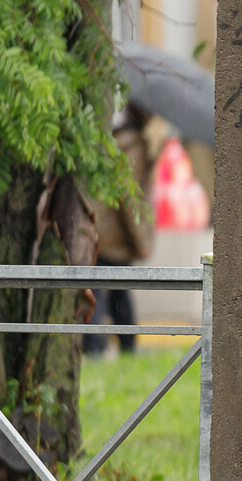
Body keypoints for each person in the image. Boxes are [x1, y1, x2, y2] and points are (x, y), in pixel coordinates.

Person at [84, 106, 156, 355]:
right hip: (115, 235)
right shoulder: (134, 144)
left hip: (97, 229)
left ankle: (109, 347)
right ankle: (113, 347)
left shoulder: (113, 139)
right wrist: (142, 241)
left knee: (106, 291)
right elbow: (131, 199)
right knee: (112, 291)